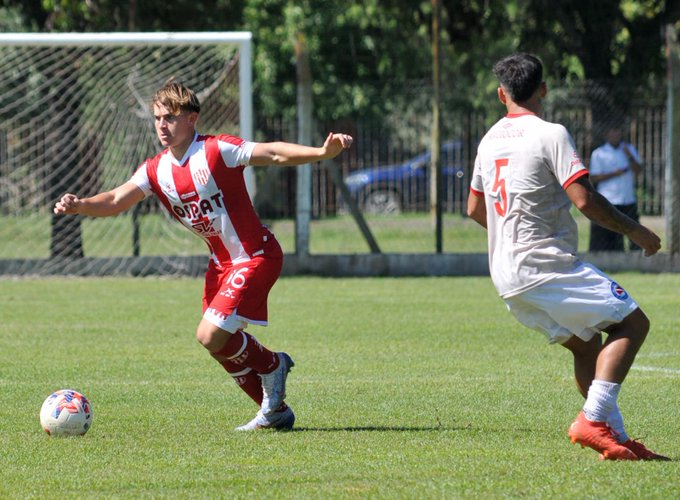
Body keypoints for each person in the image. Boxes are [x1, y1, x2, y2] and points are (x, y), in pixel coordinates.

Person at [54, 81, 353, 431]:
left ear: (192, 118)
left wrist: (321, 153)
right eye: (157, 118)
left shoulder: (216, 150)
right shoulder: (155, 170)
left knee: (210, 334)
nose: (161, 125)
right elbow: (118, 200)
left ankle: (273, 365)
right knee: (218, 342)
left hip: (256, 255)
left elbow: (272, 153)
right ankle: (274, 411)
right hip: (220, 265)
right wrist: (82, 206)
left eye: (170, 117)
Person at [467, 53, 668, 460]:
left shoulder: (488, 140)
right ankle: (592, 419)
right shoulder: (550, 133)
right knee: (633, 322)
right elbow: (584, 199)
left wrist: (509, 238)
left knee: (585, 345)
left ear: (501, 94)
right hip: (545, 265)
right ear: (543, 89)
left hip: (506, 275)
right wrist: (635, 230)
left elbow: (473, 209)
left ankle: (615, 436)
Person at [588, 125, 643, 252]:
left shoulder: (629, 149)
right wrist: (615, 173)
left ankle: (637, 258)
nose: (615, 136)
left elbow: (638, 170)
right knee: (609, 234)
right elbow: (594, 177)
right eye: (612, 133)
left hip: (627, 199)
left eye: (618, 133)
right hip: (609, 199)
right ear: (607, 135)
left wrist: (629, 156)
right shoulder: (599, 153)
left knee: (634, 233)